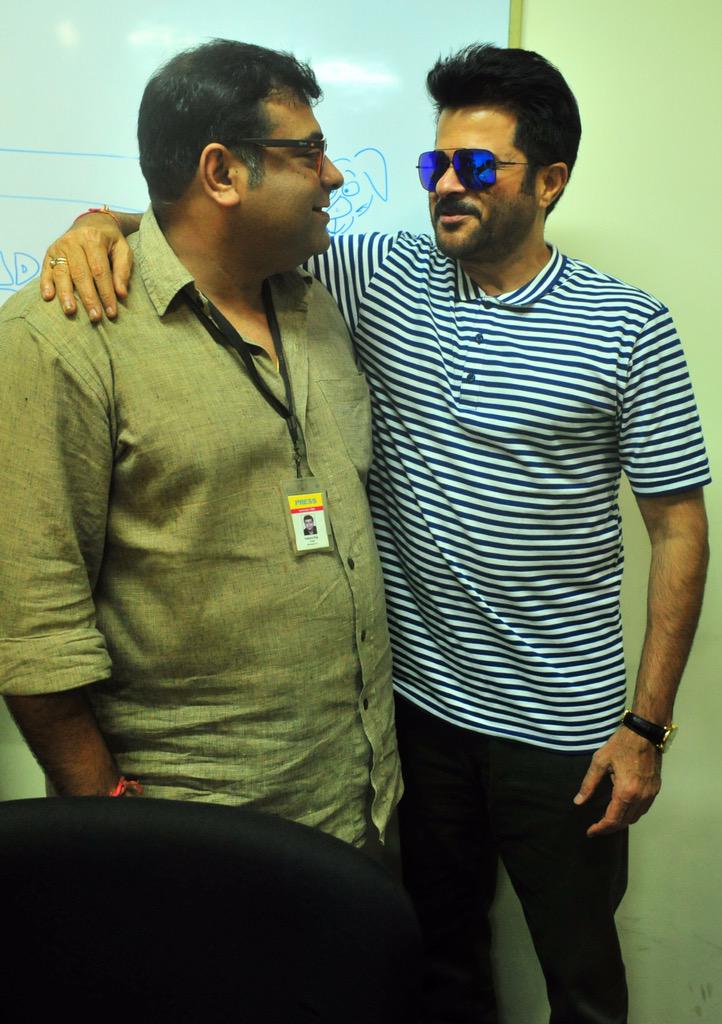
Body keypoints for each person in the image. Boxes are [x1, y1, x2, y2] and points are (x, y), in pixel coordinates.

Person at [37, 44, 710, 1024]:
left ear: (550, 181)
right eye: (436, 162)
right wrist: (100, 224)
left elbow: (678, 529)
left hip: (562, 733)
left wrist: (644, 728)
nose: (445, 185)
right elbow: (214, 231)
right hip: (416, 719)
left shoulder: (628, 327)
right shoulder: (371, 273)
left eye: (474, 166)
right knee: (436, 960)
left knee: (580, 975)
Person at [0, 39, 402, 852]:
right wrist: (112, 817)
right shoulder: (63, 337)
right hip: (197, 837)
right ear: (221, 173)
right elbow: (33, 629)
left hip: (361, 802)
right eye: (309, 152)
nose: (333, 175)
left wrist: (107, 218)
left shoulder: (316, 300)